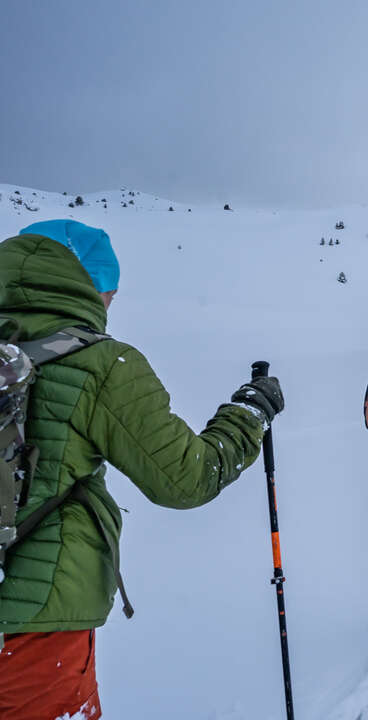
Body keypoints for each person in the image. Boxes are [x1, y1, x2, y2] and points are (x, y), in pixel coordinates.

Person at [0, 220, 284, 720]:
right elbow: (185, 477)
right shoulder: (102, 362)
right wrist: (249, 416)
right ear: (85, 284)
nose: (109, 305)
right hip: (37, 633)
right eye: (109, 292)